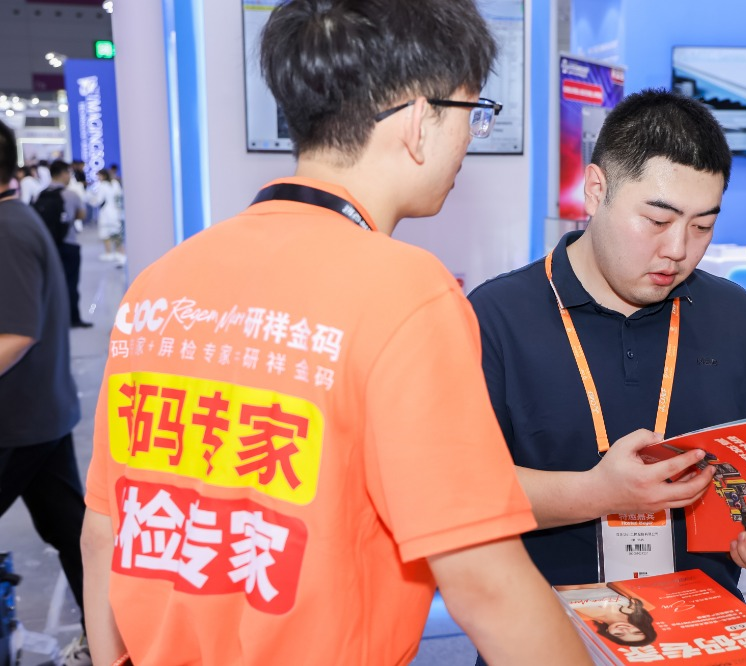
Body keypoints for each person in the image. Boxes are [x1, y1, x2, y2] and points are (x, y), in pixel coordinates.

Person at [80, 2, 589, 666]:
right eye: (472, 112)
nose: (471, 137)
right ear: (418, 120)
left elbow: (104, 531)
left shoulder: (159, 283)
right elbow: (487, 586)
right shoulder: (406, 291)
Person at [469, 90, 746, 607]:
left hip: (704, 624)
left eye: (702, 226)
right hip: (544, 627)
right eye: (658, 221)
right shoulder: (496, 316)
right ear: (596, 190)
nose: (678, 249)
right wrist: (598, 493)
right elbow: (462, 491)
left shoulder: (737, 316)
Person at [0, 122, 91, 665]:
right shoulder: (17, 219)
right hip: (40, 413)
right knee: (74, 533)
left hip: (19, 418)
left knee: (74, 532)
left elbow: (17, 333)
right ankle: (108, 637)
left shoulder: (8, 230)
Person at [38, 160, 92, 328]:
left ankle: (52, 320)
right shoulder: (70, 195)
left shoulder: (41, 195)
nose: (69, 176)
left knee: (51, 283)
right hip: (68, 244)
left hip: (48, 246)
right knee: (71, 283)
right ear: (62, 174)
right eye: (68, 173)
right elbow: (82, 215)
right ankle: (73, 318)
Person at [557, 584, 657, 647]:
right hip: (591, 566)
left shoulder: (579, 618)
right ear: (644, 627)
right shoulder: (638, 605)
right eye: (636, 632)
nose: (624, 630)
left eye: (619, 634)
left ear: (608, 632)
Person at [87, 169, 125, 262]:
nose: (98, 178)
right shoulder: (115, 183)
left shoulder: (102, 185)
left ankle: (108, 253)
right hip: (116, 212)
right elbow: (120, 196)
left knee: (106, 234)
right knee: (116, 232)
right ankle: (119, 252)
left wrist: (90, 199)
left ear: (103, 175)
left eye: (99, 176)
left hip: (106, 213)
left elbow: (98, 200)